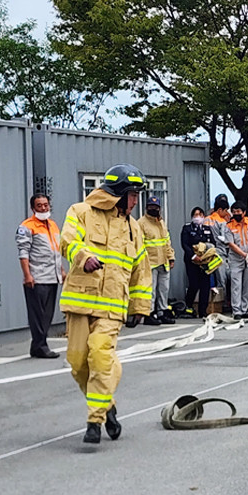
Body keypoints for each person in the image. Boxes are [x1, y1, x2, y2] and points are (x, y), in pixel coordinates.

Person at [60, 164, 152, 444]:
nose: (135, 201)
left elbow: (141, 271)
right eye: (133, 195)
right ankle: (107, 405)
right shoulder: (80, 212)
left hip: (112, 307)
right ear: (118, 194)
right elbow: (68, 241)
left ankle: (95, 421)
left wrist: (140, 307)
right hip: (80, 302)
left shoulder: (134, 229)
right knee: (78, 363)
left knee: (100, 355)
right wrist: (83, 257)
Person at [16, 193, 63, 358]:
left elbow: (56, 252)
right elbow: (23, 253)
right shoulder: (27, 226)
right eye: (39, 205)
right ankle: (41, 346)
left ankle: (37, 346)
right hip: (37, 277)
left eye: (45, 205)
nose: (43, 208)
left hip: (52, 276)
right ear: (33, 208)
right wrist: (27, 275)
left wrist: (61, 271)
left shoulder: (53, 225)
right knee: (38, 315)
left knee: (47, 314)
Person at [137, 196, 176, 325]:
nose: (153, 209)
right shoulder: (141, 223)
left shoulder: (161, 223)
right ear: (146, 207)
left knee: (164, 289)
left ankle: (162, 312)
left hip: (163, 261)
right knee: (151, 290)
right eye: (151, 207)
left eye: (156, 207)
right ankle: (149, 313)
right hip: (150, 262)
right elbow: (139, 244)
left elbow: (167, 241)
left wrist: (171, 257)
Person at [225, 201, 248, 320]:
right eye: (234, 212)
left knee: (247, 283)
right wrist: (244, 254)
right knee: (236, 285)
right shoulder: (229, 226)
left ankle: (244, 308)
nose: (236, 214)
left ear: (244, 212)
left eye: (238, 211)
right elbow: (231, 244)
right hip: (236, 259)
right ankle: (237, 311)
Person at [180, 207, 216, 318]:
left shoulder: (207, 229)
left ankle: (203, 311)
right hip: (192, 261)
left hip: (205, 262)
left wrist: (208, 255)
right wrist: (193, 256)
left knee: (205, 286)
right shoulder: (187, 228)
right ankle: (189, 306)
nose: (198, 217)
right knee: (194, 284)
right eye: (196, 215)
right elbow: (185, 244)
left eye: (200, 215)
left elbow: (213, 243)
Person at [204, 194, 231, 307]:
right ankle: (222, 303)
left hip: (207, 254)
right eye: (225, 211)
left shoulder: (206, 219)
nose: (226, 213)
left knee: (210, 278)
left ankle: (210, 303)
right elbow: (225, 239)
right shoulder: (222, 221)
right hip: (220, 254)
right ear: (220, 210)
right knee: (222, 279)